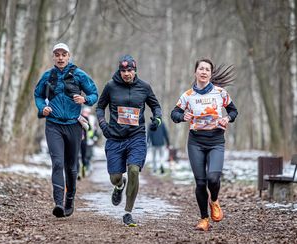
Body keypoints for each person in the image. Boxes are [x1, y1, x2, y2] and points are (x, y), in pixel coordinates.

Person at [171, 58, 238, 231]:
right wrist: (182, 117)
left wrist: (227, 118)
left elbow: (233, 110)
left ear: (210, 73)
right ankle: (204, 219)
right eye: (201, 69)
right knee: (200, 183)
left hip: (216, 140)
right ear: (195, 72)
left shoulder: (220, 92)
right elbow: (174, 113)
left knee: (213, 179)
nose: (204, 72)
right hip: (196, 142)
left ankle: (214, 200)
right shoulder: (188, 96)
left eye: (207, 69)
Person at [96, 54, 162, 227]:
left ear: (135, 70)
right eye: (123, 70)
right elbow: (100, 108)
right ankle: (119, 186)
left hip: (137, 136)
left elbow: (156, 106)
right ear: (120, 71)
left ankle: (128, 213)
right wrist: (103, 125)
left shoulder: (144, 87)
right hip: (115, 138)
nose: (126, 73)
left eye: (130, 70)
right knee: (115, 177)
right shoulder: (110, 86)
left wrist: (157, 119)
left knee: (133, 170)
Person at [34, 43, 98, 218]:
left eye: (64, 54)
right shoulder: (48, 76)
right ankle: (58, 203)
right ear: (53, 57)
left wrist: (84, 99)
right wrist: (42, 108)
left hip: (73, 125)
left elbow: (94, 94)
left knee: (71, 167)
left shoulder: (79, 75)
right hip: (53, 124)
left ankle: (69, 199)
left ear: (69, 56)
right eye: (57, 54)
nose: (60, 57)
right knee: (57, 163)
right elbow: (38, 95)